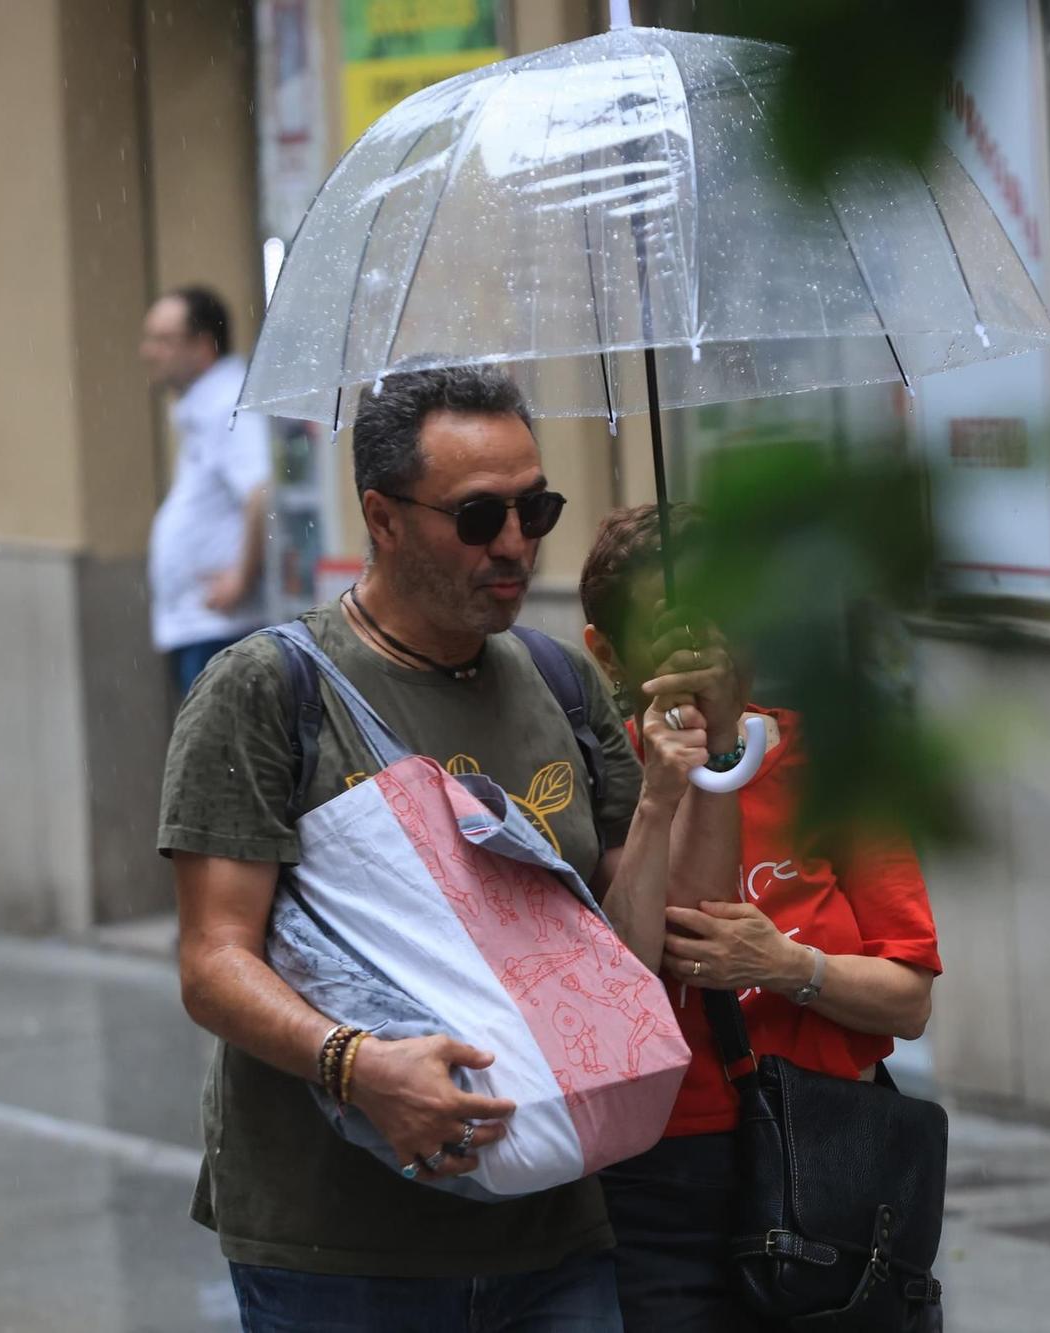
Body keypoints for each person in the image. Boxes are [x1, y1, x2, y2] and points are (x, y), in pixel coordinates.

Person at [158, 366, 732, 1332]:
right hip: (338, 1250)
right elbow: (213, 962)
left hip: (555, 1229)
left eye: (534, 509)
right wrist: (357, 1065)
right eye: (477, 518)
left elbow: (640, 958)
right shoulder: (268, 689)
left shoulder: (559, 680)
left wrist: (681, 783)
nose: (514, 545)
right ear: (382, 518)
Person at [578, 503, 944, 1333]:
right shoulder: (601, 777)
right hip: (659, 1172)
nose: (704, 648)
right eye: (669, 629)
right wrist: (668, 790)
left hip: (826, 1153)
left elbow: (909, 998)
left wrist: (787, 966)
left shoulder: (831, 770)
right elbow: (617, 988)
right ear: (607, 652)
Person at [140, 286, 273, 696]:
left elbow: (261, 491)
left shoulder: (226, 401)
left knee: (219, 753)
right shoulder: (206, 404)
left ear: (202, 346)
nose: (148, 351)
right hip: (205, 624)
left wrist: (241, 577)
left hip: (224, 628)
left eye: (163, 340)